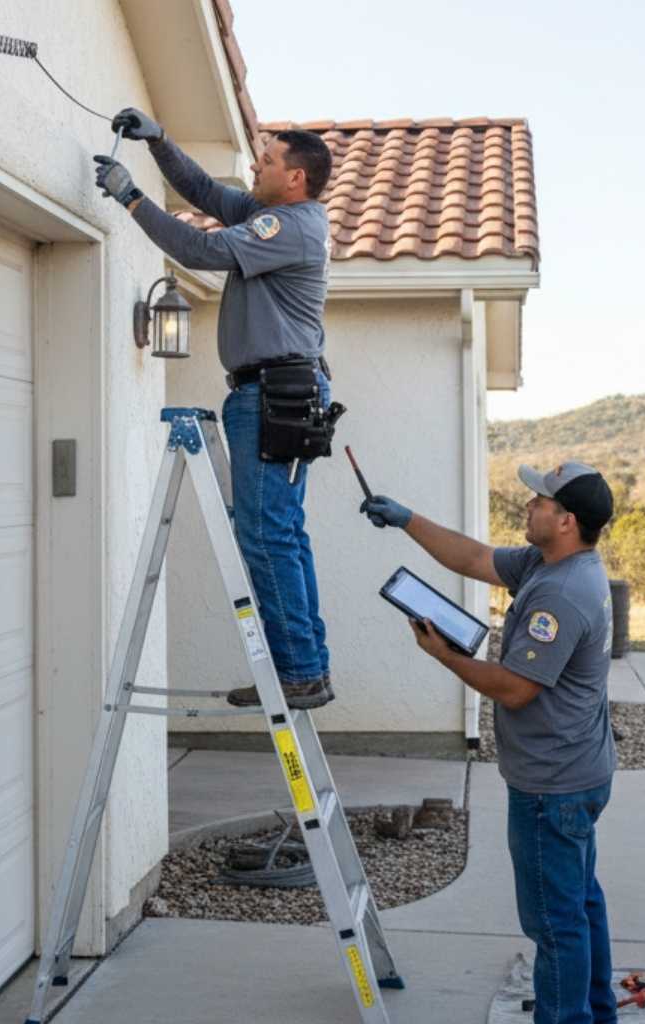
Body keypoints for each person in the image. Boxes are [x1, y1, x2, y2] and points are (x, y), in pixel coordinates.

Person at [93, 108, 337, 710]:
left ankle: (299, 672)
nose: (256, 166)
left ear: (296, 178)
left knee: (266, 536)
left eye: (268, 161)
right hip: (280, 391)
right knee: (282, 533)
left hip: (275, 395)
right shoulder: (272, 215)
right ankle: (306, 667)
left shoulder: (291, 227)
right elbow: (204, 192)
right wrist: (160, 140)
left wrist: (131, 200)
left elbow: (200, 249)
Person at [361, 463, 618, 1024]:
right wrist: (406, 519)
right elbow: (474, 558)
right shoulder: (553, 562)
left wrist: (444, 655)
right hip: (578, 770)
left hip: (553, 786)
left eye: (540, 501)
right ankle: (598, 1015)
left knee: (555, 924)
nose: (529, 504)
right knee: (579, 904)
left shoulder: (562, 594)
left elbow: (515, 689)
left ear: (567, 521)